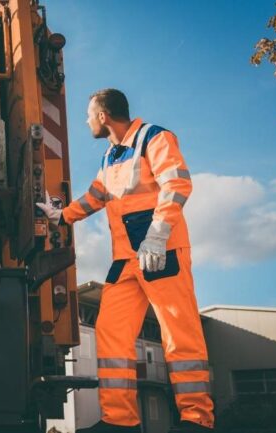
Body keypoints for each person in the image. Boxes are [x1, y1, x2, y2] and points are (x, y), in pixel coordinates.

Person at [37, 89, 214, 432]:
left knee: (180, 334)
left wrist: (158, 235)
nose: (87, 121)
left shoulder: (154, 137)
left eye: (89, 115)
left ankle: (196, 419)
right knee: (111, 332)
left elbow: (177, 184)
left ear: (103, 116)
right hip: (127, 261)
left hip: (162, 253)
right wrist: (61, 216)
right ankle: (119, 421)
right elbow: (95, 197)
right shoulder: (110, 158)